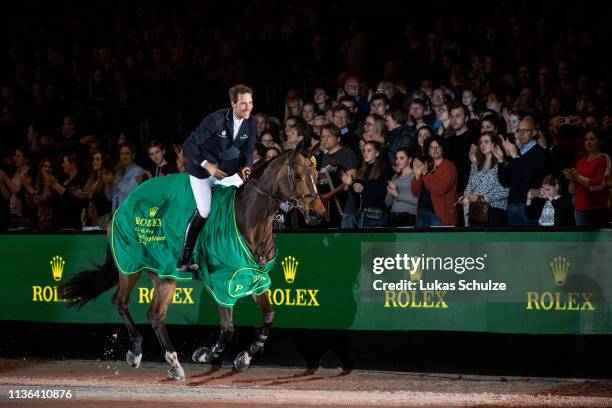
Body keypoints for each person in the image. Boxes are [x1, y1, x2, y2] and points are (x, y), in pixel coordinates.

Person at [179, 84, 256, 273]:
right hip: (202, 171)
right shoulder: (216, 119)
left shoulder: (252, 122)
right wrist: (207, 165)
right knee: (205, 210)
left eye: (251, 103)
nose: (248, 108)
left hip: (227, 174)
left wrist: (247, 166)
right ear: (233, 104)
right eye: (243, 104)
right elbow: (189, 145)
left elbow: (248, 149)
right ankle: (185, 257)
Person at [460, 132, 509, 226]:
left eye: (486, 142)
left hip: (495, 211)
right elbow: (469, 186)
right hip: (476, 210)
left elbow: (506, 191)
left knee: (492, 240)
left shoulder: (502, 164)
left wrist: (482, 198)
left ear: (494, 144)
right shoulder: (475, 165)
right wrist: (465, 197)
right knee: (476, 239)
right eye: (481, 142)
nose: (482, 145)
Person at [564, 131, 611, 226]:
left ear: (600, 142)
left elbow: (599, 185)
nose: (588, 142)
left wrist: (577, 177)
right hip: (580, 209)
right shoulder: (580, 162)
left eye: (592, 139)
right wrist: (572, 179)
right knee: (582, 241)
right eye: (586, 139)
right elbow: (572, 191)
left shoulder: (603, 158)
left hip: (597, 209)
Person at [412, 136, 458, 227]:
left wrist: (425, 173)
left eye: (437, 146)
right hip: (422, 211)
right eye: (431, 147)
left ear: (443, 148)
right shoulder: (427, 166)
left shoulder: (449, 166)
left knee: (436, 241)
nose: (435, 149)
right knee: (421, 241)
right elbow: (416, 193)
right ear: (428, 151)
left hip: (438, 215)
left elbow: (441, 189)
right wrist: (417, 176)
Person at [346, 141, 392, 228]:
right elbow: (358, 198)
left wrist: (363, 189)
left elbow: (382, 194)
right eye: (364, 151)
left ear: (377, 153)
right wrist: (351, 185)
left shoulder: (384, 170)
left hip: (377, 216)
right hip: (362, 215)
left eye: (369, 151)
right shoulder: (362, 170)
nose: (365, 153)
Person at [385, 148, 418, 227]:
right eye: (396, 158)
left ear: (410, 159)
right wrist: (390, 193)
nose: (398, 161)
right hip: (394, 216)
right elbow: (387, 203)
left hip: (409, 217)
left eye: (402, 158)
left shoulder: (415, 175)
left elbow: (418, 201)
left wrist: (397, 195)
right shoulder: (395, 177)